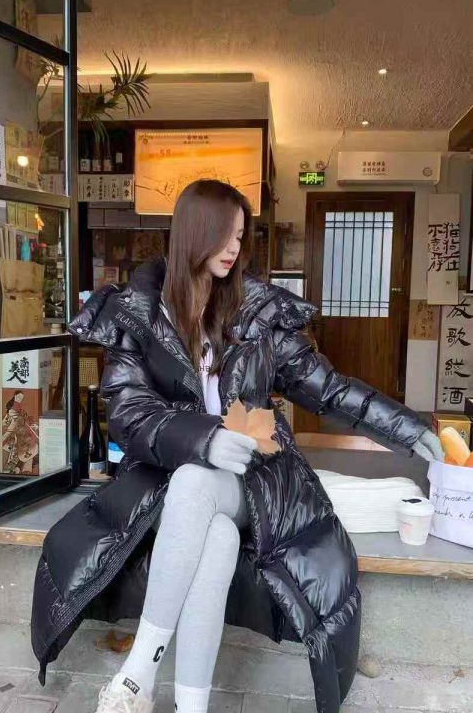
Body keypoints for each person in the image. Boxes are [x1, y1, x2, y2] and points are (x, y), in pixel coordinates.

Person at [31, 179, 443, 713]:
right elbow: (129, 413)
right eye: (225, 234)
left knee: (197, 484)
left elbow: (328, 388)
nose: (233, 248)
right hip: (166, 481)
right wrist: (203, 439)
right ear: (194, 232)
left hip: (254, 478)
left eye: (240, 237)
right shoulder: (139, 313)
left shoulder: (258, 312)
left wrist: (407, 429)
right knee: (217, 535)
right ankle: (191, 705)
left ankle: (138, 674)